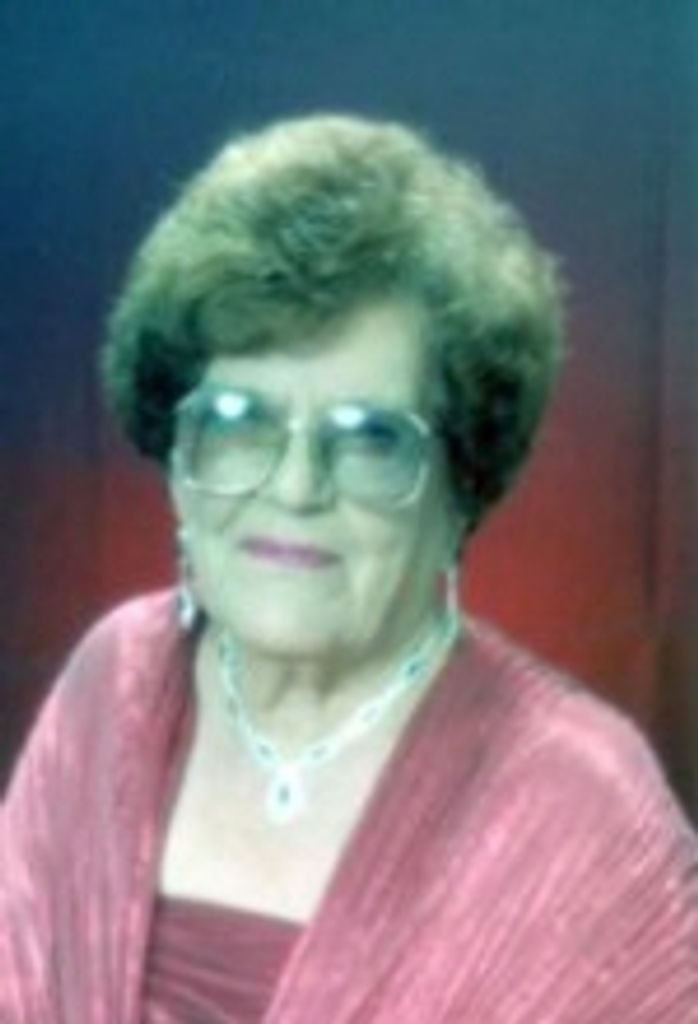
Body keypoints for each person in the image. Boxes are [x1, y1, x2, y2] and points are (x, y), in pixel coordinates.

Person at [1, 113, 696, 1024]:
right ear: (176, 453)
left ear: (461, 485)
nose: (295, 488)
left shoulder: (581, 805)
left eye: (370, 438)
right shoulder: (114, 682)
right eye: (240, 420)